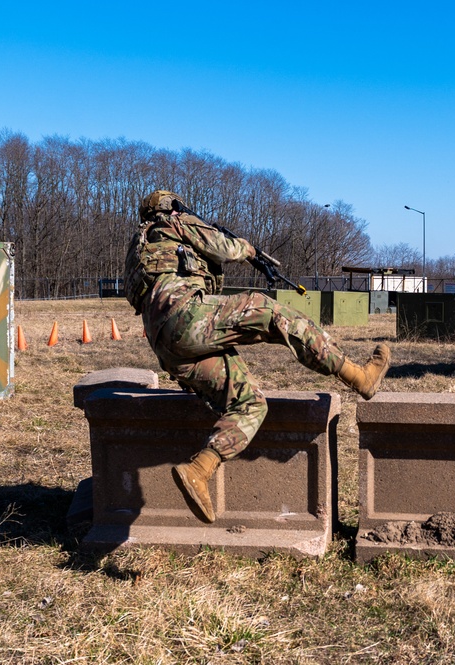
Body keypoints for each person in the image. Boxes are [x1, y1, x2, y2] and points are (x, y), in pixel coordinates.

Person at [125, 189, 390, 523]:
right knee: (269, 311)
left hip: (167, 347)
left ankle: (199, 470)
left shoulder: (139, 249)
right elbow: (223, 248)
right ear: (170, 209)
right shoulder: (173, 223)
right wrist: (247, 248)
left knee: (249, 403)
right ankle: (357, 375)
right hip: (187, 318)